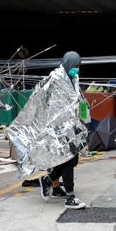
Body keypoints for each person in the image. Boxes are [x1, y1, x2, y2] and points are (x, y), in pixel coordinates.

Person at [38, 51, 87, 209]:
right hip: (58, 127)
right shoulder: (56, 78)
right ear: (68, 64)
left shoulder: (73, 78)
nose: (77, 69)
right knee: (68, 159)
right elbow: (47, 101)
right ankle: (70, 198)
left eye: (79, 66)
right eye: (75, 66)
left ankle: (48, 180)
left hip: (71, 125)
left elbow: (75, 98)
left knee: (73, 160)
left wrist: (82, 111)